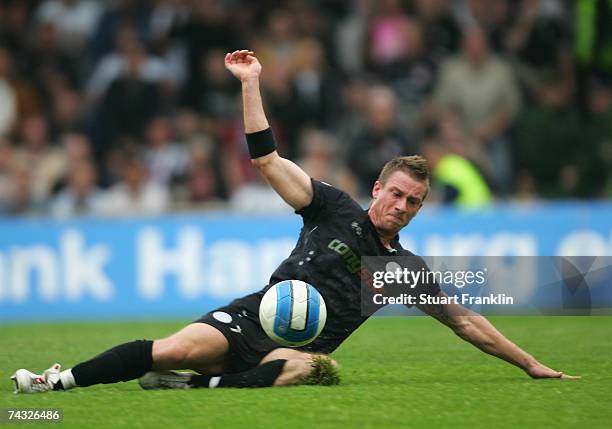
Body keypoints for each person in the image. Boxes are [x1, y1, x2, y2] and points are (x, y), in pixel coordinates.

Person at [11, 50, 578, 394]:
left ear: (418, 210)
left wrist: (530, 364)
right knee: (171, 348)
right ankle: (55, 383)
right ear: (378, 189)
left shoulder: (401, 270)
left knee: (313, 368)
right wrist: (251, 84)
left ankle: (199, 387)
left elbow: (464, 322)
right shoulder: (332, 207)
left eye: (414, 203)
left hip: (292, 351)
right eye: (397, 194)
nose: (402, 206)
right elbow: (266, 160)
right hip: (253, 315)